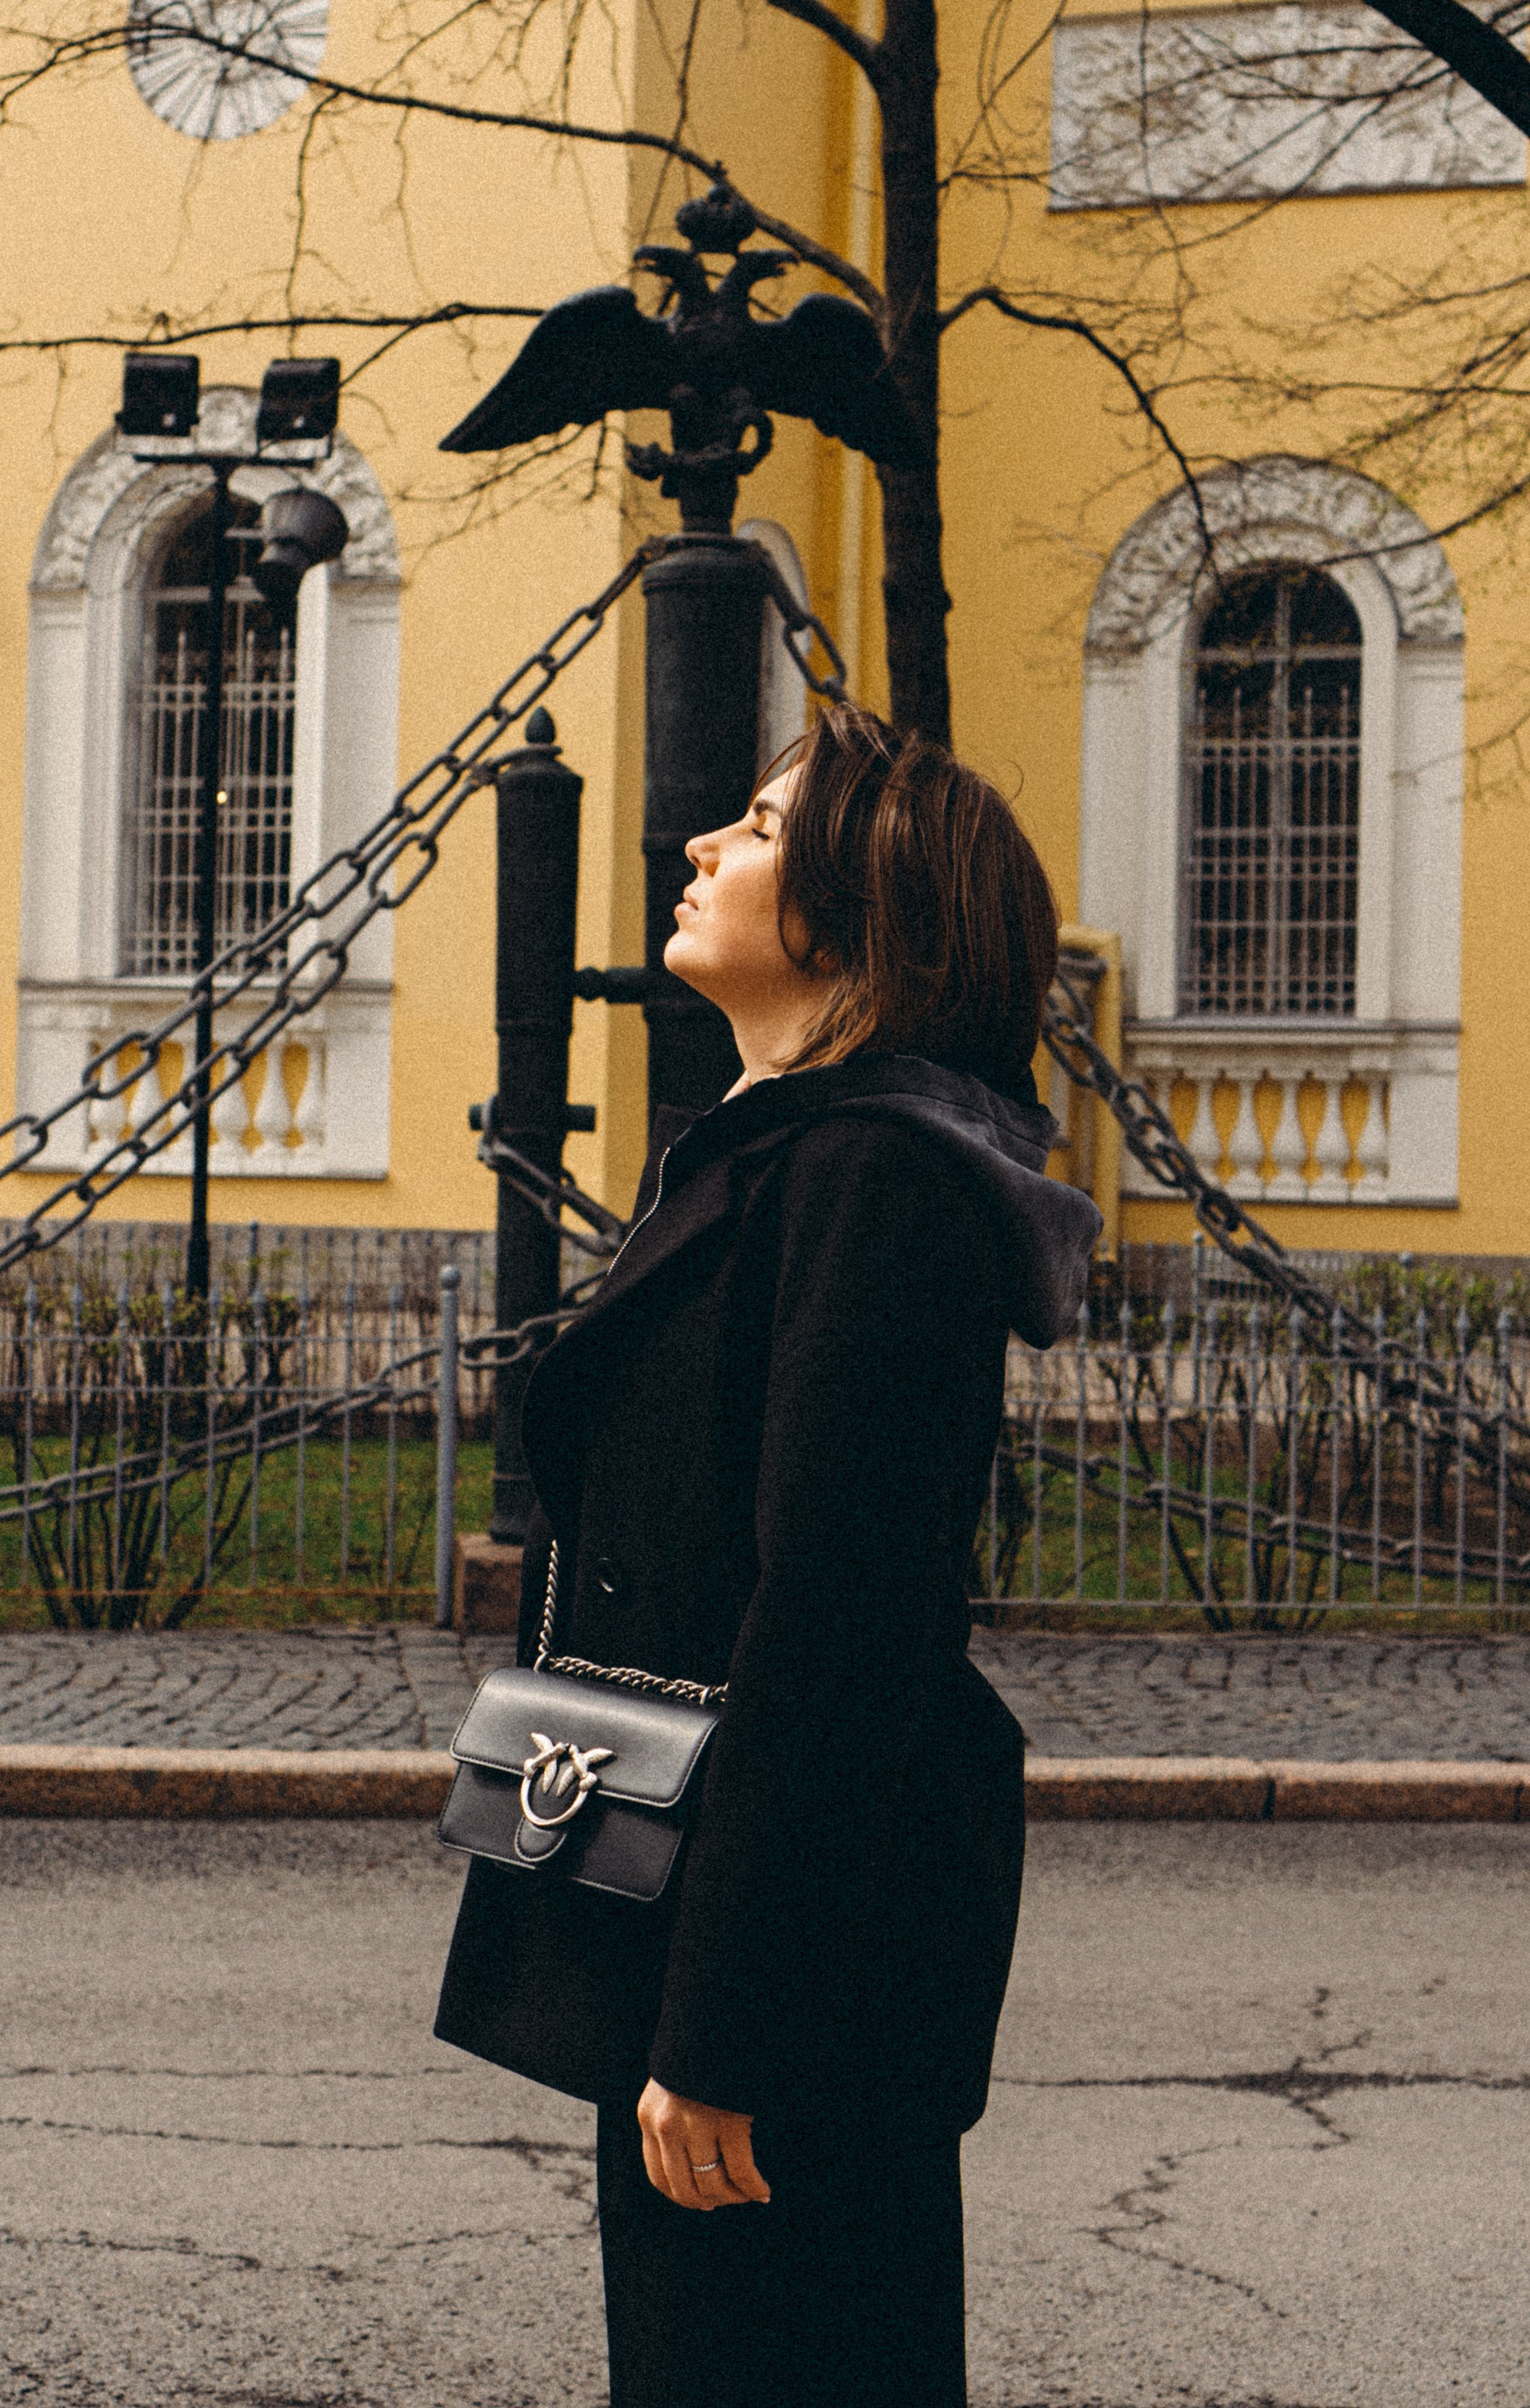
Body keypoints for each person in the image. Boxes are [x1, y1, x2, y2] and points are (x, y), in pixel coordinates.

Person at [435, 701, 1101, 2408]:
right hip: (694, 1903)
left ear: (856, 905)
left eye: (751, 823)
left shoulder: (870, 1183)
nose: (702, 845)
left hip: (793, 1959)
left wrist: (722, 2029)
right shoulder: (773, 1152)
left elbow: (834, 1626)